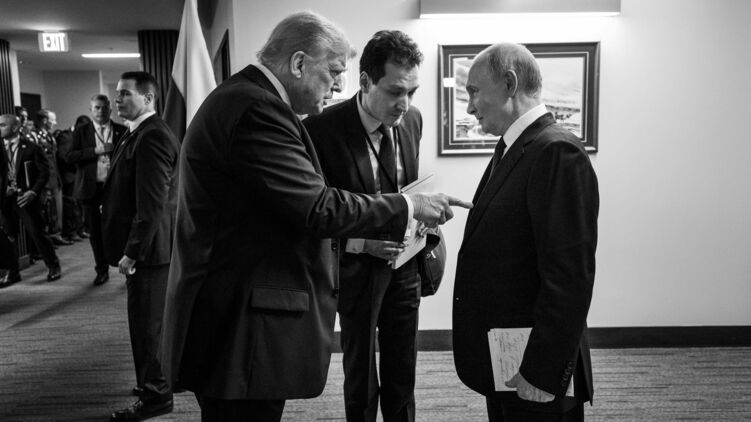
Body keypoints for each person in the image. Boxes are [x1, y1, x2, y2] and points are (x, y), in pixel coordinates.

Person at [161, 11, 470, 422]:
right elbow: (317, 207)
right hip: (240, 325)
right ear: (298, 63)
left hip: (241, 312)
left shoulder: (249, 99)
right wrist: (410, 206)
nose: (339, 85)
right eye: (334, 72)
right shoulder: (258, 109)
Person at [452, 43, 599, 422]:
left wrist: (542, 372)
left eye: (474, 92)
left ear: (509, 83)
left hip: (534, 371)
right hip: (508, 360)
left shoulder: (556, 152)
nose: (469, 108)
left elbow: (569, 277)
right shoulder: (516, 147)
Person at [304, 29, 424, 422]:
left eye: (412, 91)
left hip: (406, 266)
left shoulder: (412, 120)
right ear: (365, 81)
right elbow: (316, 212)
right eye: (395, 91)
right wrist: (360, 243)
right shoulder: (321, 129)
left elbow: (406, 189)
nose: (404, 104)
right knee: (360, 372)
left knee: (403, 367)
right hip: (354, 269)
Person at [101, 72, 179, 420]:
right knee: (148, 325)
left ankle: (156, 396)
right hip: (150, 249)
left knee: (147, 328)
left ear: (148, 98)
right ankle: (153, 383)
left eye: (125, 94)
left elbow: (151, 204)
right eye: (117, 94)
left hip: (150, 252)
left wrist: (132, 251)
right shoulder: (137, 132)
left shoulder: (153, 136)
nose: (117, 100)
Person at [65, 97, 127, 286]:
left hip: (115, 188)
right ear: (91, 109)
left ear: (110, 110)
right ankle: (102, 270)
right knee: (95, 232)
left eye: (105, 107)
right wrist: (95, 151)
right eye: (97, 108)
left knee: (120, 229)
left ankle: (126, 270)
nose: (101, 111)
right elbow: (69, 156)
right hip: (91, 189)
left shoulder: (122, 130)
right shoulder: (81, 131)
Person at [0, 114, 62, 285]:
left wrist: (33, 192)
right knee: (9, 236)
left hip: (26, 198)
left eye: (3, 125)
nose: (0, 128)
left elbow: (44, 172)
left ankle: (53, 266)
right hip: (6, 200)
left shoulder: (32, 148)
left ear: (15, 127)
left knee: (37, 233)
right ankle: (13, 272)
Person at [31, 109, 71, 247]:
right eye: (52, 119)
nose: (55, 122)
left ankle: (56, 234)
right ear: (44, 120)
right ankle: (48, 237)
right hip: (46, 179)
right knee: (47, 210)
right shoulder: (35, 135)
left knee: (56, 209)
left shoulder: (50, 135)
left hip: (55, 177)